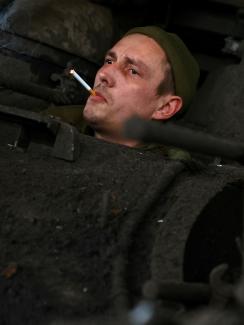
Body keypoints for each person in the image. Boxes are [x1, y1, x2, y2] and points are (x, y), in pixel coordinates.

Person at [46, 26, 200, 149]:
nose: (104, 74)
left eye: (133, 71)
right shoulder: (45, 126)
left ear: (165, 107)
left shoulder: (171, 179)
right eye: (109, 61)